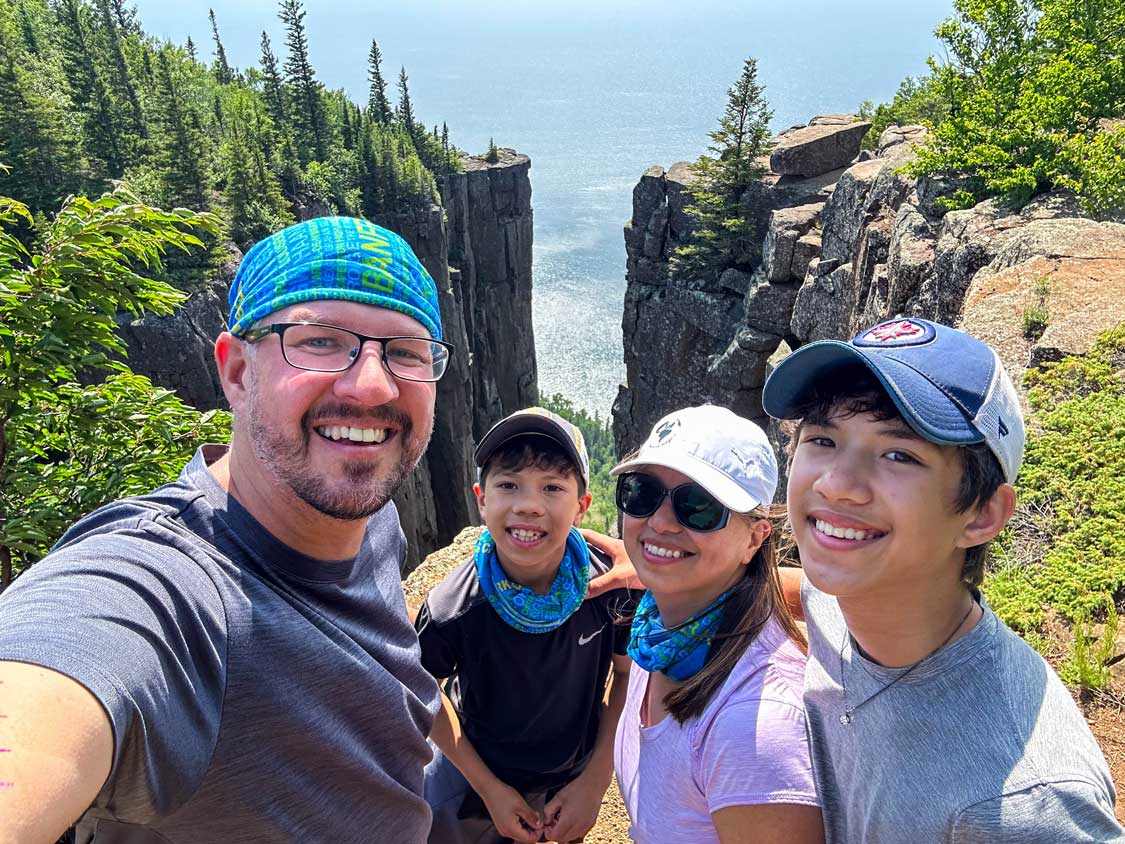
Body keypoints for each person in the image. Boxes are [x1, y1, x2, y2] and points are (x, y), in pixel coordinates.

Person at [0, 216, 453, 843]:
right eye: (319, 340)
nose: (373, 384)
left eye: (405, 351)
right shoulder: (167, 587)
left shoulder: (373, 515)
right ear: (237, 370)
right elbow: (49, 682)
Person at [761, 317, 1124, 842]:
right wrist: (679, 569)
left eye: (899, 454)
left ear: (980, 514)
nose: (838, 484)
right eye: (823, 439)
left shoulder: (1020, 804)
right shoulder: (846, 604)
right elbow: (800, 590)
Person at [415, 407, 634, 844]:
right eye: (508, 485)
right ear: (482, 499)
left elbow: (627, 675)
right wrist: (490, 789)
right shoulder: (454, 608)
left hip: (571, 773)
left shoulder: (609, 589)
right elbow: (422, 690)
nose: (529, 505)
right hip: (476, 772)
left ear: (581, 507)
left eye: (552, 487)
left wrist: (594, 781)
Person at [610, 405, 823, 844]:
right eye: (642, 493)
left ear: (754, 538)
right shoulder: (660, 634)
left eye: (699, 506)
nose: (660, 522)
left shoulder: (755, 728)